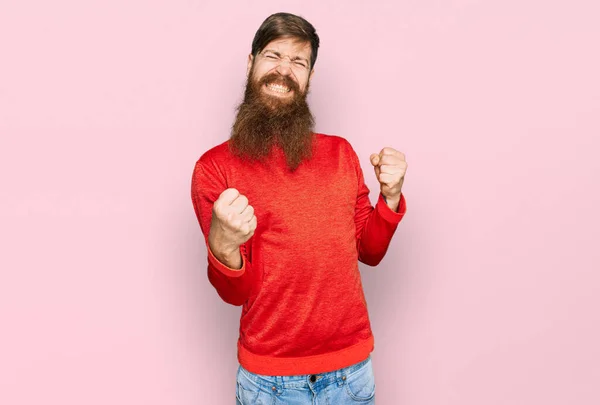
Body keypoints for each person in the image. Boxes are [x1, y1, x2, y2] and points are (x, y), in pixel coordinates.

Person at [191, 12, 408, 405]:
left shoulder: (341, 153)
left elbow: (370, 252)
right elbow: (234, 293)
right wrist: (222, 246)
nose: (284, 71)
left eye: (299, 62)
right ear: (251, 62)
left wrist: (390, 198)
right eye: (273, 55)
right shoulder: (214, 168)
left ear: (309, 78)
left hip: (351, 375)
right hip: (269, 382)